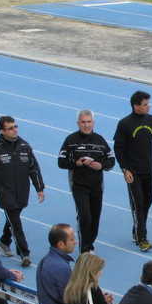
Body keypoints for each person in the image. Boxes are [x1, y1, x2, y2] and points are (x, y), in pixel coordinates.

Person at [113, 90, 152, 252]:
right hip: (133, 173)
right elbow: (118, 148)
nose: (149, 106)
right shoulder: (124, 124)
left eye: (148, 103)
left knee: (147, 203)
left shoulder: (151, 120)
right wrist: (125, 169)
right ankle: (142, 238)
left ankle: (137, 230)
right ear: (136, 107)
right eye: (145, 104)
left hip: (149, 170)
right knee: (138, 204)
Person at [0, 116, 45, 267]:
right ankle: (24, 254)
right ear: (2, 131)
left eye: (15, 126)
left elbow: (33, 168)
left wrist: (39, 188)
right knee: (15, 222)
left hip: (22, 191)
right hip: (5, 192)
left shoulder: (24, 146)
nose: (15, 129)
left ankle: (4, 241)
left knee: (12, 217)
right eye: (10, 128)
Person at [57, 109, 116, 254]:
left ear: (93, 123)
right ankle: (85, 250)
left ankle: (90, 244)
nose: (86, 125)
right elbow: (61, 162)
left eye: (89, 122)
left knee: (95, 219)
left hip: (97, 186)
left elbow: (111, 160)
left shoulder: (100, 141)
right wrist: (76, 163)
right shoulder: (71, 141)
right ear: (78, 123)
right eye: (83, 122)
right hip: (79, 186)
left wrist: (101, 165)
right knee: (85, 216)